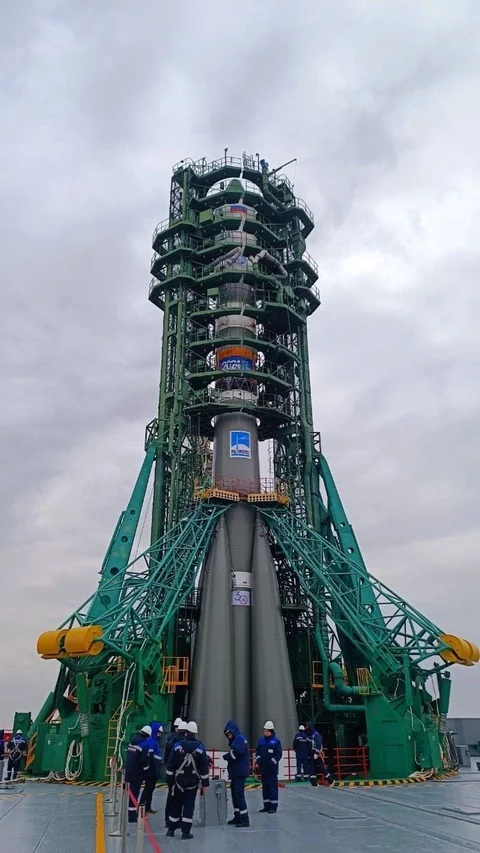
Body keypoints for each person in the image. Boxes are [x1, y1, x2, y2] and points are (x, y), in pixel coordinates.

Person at [166, 721, 209, 840]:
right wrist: (205, 783)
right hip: (192, 782)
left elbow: (170, 765)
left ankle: (171, 829)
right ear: (195, 733)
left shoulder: (178, 746)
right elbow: (204, 767)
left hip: (178, 781)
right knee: (189, 806)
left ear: (186, 732)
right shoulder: (200, 747)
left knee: (176, 804)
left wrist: (170, 781)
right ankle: (186, 832)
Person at [223, 719, 250, 828]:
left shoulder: (239, 739)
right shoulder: (237, 740)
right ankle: (238, 815)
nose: (228, 736)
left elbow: (236, 754)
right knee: (234, 795)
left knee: (239, 796)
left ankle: (245, 819)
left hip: (239, 772)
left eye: (229, 733)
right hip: (236, 772)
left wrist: (226, 756)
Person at [124, 725, 152, 823]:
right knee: (135, 793)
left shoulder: (133, 741)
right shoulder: (144, 744)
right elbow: (144, 761)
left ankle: (131, 812)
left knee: (131, 793)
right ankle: (132, 816)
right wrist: (146, 770)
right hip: (137, 772)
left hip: (129, 771)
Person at [255, 721, 282, 813]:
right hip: (263, 769)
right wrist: (258, 760)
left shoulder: (276, 741)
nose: (265, 732)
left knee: (272, 788)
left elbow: (278, 754)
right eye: (264, 731)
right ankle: (266, 806)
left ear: (271, 731)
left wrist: (272, 762)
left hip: (272, 770)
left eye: (267, 731)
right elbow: (257, 751)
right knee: (265, 788)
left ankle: (273, 806)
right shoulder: (261, 741)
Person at [164, 720, 186, 827]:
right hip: (175, 773)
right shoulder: (179, 742)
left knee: (171, 795)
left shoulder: (170, 739)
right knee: (175, 797)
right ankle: (171, 821)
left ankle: (170, 819)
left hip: (170, 772)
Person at [139, 722, 163, 814]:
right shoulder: (151, 742)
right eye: (159, 732)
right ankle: (142, 805)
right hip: (151, 770)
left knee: (151, 788)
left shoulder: (155, 741)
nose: (160, 734)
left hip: (155, 769)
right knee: (148, 788)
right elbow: (150, 757)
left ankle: (147, 806)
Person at [305, 722, 333, 786]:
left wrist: (316, 753)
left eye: (307, 727)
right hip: (312, 754)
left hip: (318, 754)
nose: (306, 729)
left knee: (321, 768)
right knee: (312, 768)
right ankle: (314, 783)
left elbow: (319, 744)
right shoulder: (311, 735)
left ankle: (330, 780)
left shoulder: (316, 735)